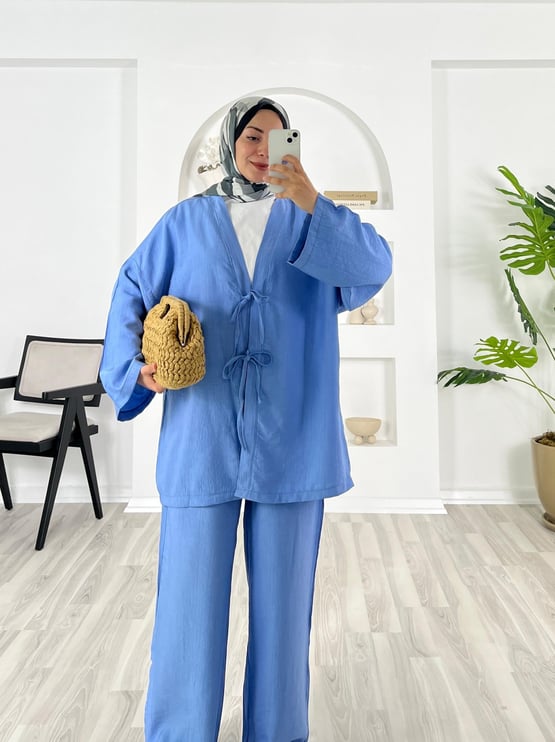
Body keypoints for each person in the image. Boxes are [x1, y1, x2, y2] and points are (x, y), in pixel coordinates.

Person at [100, 95, 392, 742]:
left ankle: (278, 732)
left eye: (277, 137)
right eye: (251, 136)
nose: (263, 149)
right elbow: (131, 289)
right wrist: (135, 368)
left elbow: (375, 268)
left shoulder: (310, 221)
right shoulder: (184, 223)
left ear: (294, 146)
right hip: (201, 437)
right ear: (230, 143)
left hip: (293, 436)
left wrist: (311, 200)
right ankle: (180, 733)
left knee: (285, 608)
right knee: (187, 604)